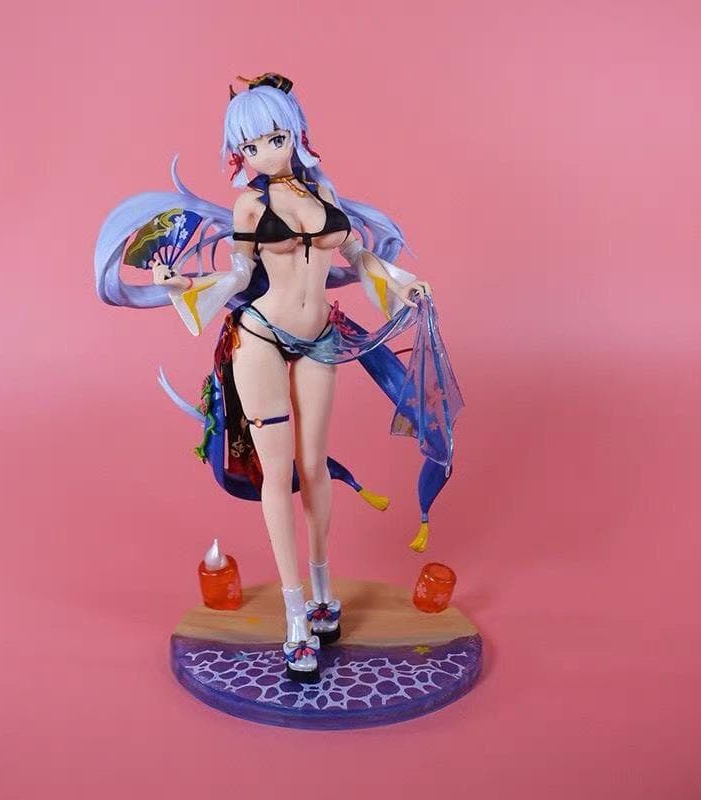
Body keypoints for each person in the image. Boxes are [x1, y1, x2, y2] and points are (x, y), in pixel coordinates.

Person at [94, 72, 464, 684]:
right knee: (277, 472)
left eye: (275, 138)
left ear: (294, 133)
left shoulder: (324, 194)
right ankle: (295, 615)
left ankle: (321, 590)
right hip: (262, 337)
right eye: (252, 145)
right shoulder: (251, 204)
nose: (266, 152)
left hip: (319, 337)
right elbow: (241, 276)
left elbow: (358, 257)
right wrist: (181, 285)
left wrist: (403, 285)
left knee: (314, 466)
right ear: (239, 152)